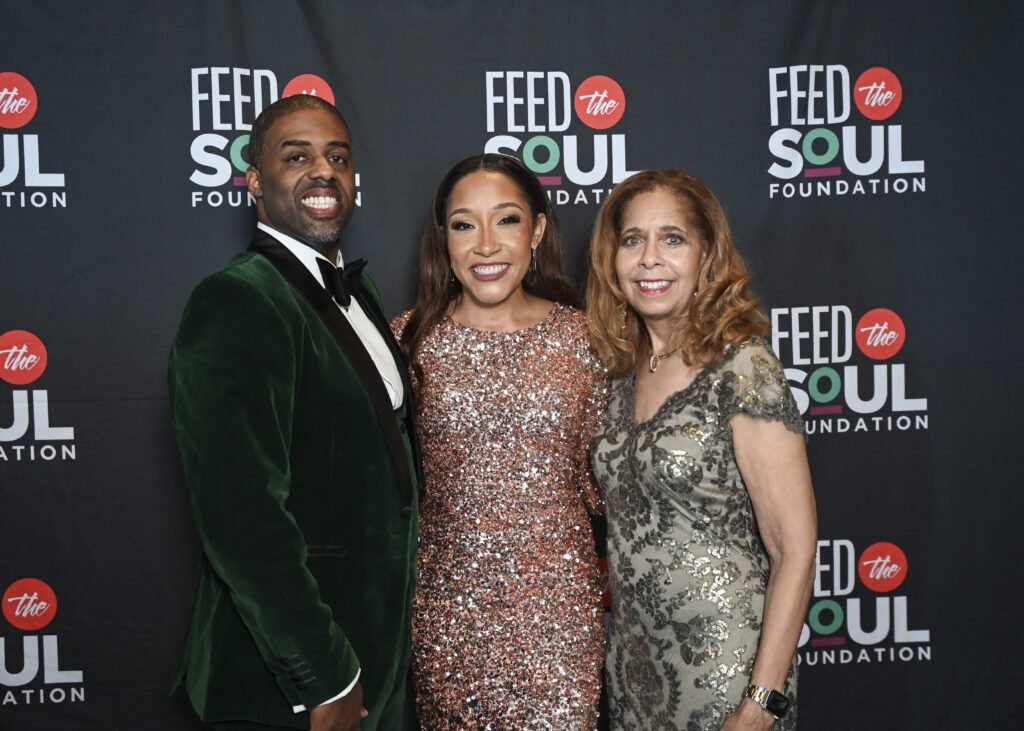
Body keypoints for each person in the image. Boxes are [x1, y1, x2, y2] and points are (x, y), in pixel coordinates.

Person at [168, 94, 420, 731]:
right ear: (255, 181)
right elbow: (241, 517)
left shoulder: (358, 293)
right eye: (296, 156)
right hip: (288, 681)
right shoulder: (234, 301)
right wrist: (323, 676)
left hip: (377, 657)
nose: (323, 171)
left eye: (337, 156)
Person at [586, 170, 817, 731]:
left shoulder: (742, 367)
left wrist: (762, 702)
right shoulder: (618, 372)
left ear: (706, 253)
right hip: (635, 672)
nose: (649, 259)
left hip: (726, 672)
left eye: (672, 238)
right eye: (633, 240)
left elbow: (795, 547)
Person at [392, 153, 607, 729]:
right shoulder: (409, 341)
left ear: (536, 229)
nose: (485, 245)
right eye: (464, 224)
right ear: (444, 238)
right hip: (448, 627)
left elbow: (609, 487)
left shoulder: (588, 340)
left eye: (506, 220)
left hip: (560, 624)